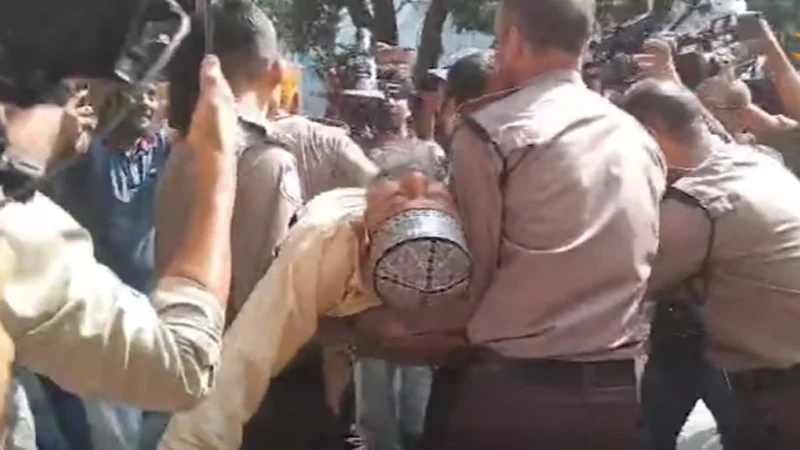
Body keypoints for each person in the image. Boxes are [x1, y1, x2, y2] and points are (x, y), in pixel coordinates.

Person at [420, 0, 666, 448]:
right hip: (615, 395)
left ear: (514, 41)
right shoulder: (637, 137)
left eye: (498, 41)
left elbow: (468, 277)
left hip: (514, 396)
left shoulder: (492, 130)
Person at [157, 142, 469, 450]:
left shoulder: (474, 236)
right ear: (366, 236)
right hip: (322, 320)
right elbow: (246, 358)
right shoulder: (319, 247)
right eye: (400, 199)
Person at [0, 53, 236, 412]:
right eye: (62, 89)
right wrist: (219, 163)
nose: (146, 103)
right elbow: (183, 364)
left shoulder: (156, 152)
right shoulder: (21, 234)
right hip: (93, 338)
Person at [618, 79, 800, 450]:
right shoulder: (753, 162)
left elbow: (624, 288)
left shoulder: (698, 203)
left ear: (648, 137)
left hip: (778, 390)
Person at [157, 0, 303, 324]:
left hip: (176, 335)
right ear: (278, 71)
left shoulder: (181, 148)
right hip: (237, 347)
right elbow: (265, 297)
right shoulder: (271, 161)